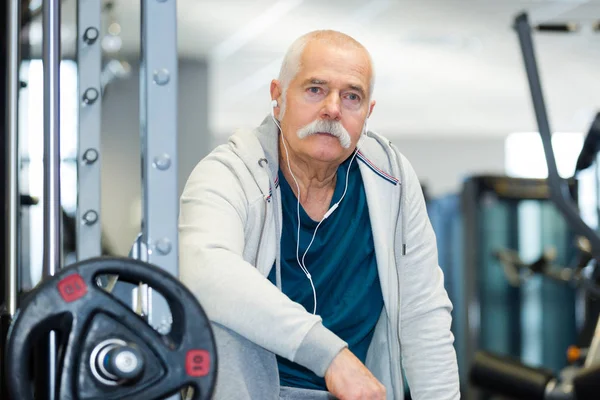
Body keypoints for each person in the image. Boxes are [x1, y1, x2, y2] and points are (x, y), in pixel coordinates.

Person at [179, 30, 460, 400]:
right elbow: (204, 269)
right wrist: (330, 356)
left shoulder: (391, 180)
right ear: (277, 96)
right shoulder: (230, 172)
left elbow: (423, 313)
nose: (332, 108)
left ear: (368, 112)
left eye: (351, 96)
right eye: (315, 89)